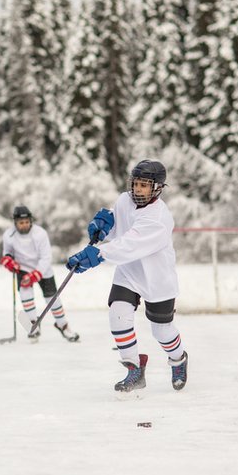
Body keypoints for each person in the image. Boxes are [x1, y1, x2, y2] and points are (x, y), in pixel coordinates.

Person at [66, 159, 188, 393]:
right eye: (136, 184)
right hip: (129, 272)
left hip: (156, 279)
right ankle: (134, 370)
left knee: (161, 331)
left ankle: (178, 359)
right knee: (118, 314)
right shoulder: (124, 199)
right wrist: (104, 225)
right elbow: (119, 224)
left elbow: (129, 244)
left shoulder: (158, 219)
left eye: (144, 185)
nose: (138, 190)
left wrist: (97, 254)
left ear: (157, 188)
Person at [0, 205, 80, 343]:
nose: (24, 225)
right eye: (21, 223)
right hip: (23, 268)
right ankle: (33, 325)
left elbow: (46, 257)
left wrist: (36, 274)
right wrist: (8, 260)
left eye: (26, 222)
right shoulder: (9, 234)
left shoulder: (40, 233)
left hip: (42, 269)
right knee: (26, 295)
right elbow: (7, 252)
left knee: (52, 299)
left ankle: (63, 325)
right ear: (15, 222)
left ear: (30, 221)